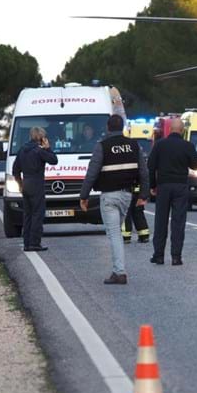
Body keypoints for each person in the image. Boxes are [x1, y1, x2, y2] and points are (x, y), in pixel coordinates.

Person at [79, 114, 149, 285]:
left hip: (109, 196)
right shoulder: (134, 145)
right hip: (127, 195)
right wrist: (143, 195)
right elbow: (144, 172)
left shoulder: (102, 146)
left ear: (108, 128)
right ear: (123, 127)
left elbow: (92, 172)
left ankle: (119, 272)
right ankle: (118, 269)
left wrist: (84, 196)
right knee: (117, 231)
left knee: (114, 234)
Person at [148, 118, 197, 266]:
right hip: (180, 186)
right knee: (178, 222)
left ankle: (158, 255)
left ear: (170, 129)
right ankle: (176, 257)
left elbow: (151, 166)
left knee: (161, 221)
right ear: (182, 130)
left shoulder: (159, 145)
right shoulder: (188, 146)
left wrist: (152, 185)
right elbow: (196, 165)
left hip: (163, 186)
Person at [12, 127, 58, 251]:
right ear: (40, 137)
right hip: (36, 184)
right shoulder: (39, 151)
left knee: (27, 215)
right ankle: (34, 243)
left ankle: (27, 243)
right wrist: (48, 148)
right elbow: (54, 160)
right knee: (37, 214)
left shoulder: (22, 150)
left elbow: (15, 170)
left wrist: (20, 183)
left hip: (26, 183)